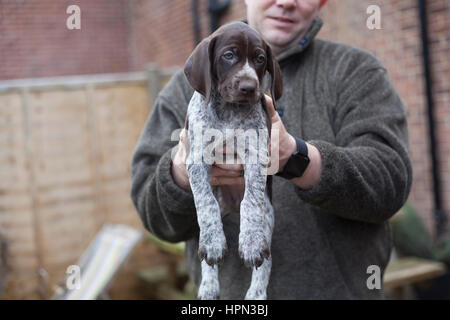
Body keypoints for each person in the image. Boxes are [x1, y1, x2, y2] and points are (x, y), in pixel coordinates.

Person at [131, 0, 412, 299]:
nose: (286, 1)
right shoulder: (193, 82)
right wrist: (182, 172)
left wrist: (296, 158)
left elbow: (391, 183)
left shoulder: (357, 71)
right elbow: (152, 215)